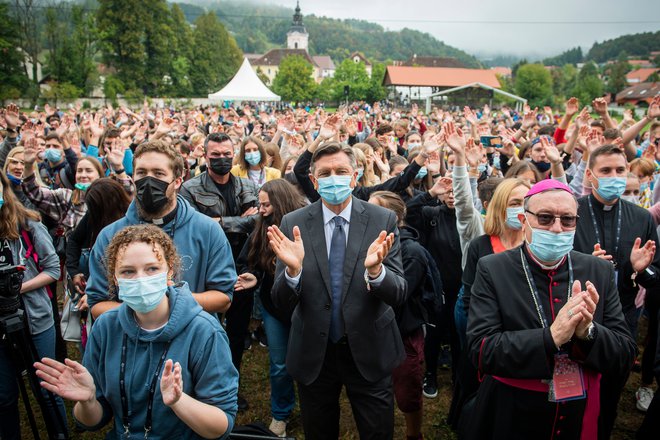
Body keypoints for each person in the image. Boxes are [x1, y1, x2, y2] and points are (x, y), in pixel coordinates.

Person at [466, 179, 637, 439]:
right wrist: (551, 337)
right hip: (513, 409)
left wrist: (587, 333)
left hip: (577, 409)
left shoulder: (598, 269)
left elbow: (624, 353)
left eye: (567, 220)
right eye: (545, 218)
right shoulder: (492, 268)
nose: (557, 228)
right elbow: (481, 350)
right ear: (524, 221)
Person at [35, 224, 238, 439]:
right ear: (115, 277)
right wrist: (88, 401)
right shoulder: (106, 327)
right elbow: (93, 420)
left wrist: (179, 402)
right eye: (128, 271)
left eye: (152, 269)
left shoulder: (205, 332)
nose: (140, 279)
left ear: (169, 270)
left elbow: (221, 426)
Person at [269, 142, 407, 439]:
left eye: (341, 171)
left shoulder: (382, 219)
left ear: (355, 176)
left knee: (377, 431)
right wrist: (293, 272)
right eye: (326, 173)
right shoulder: (293, 223)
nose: (334, 178)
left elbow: (399, 292)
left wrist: (376, 272)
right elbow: (280, 301)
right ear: (315, 181)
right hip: (314, 351)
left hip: (369, 346)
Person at [86, 140, 236, 319]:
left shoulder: (207, 230)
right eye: (141, 172)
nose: (149, 181)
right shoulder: (110, 236)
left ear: (178, 181)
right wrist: (141, 309)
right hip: (132, 341)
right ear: (133, 177)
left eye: (159, 173)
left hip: (190, 339)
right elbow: (96, 304)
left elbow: (224, 298)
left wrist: (171, 301)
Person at [573, 144, 660, 438]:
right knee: (575, 390)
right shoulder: (572, 213)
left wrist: (638, 268)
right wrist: (587, 267)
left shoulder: (642, 218)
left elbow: (654, 277)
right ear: (590, 174)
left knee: (610, 393)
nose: (614, 176)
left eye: (620, 170)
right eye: (606, 171)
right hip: (579, 315)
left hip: (622, 317)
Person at [179, 132, 259, 410]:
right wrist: (237, 221)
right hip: (206, 267)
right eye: (216, 156)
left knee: (237, 331)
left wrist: (217, 221)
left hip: (241, 265)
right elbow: (191, 225)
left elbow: (257, 221)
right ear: (205, 156)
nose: (222, 160)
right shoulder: (190, 188)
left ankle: (230, 386)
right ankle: (201, 384)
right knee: (203, 328)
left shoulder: (246, 185)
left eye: (227, 155)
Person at [235, 179, 307, 437]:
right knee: (279, 363)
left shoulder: (306, 224)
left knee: (310, 360)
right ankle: (281, 413)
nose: (261, 209)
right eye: (259, 204)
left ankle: (314, 408)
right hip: (273, 306)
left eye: (266, 204)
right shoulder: (262, 226)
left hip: (306, 305)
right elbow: (248, 260)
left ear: (282, 202)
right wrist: (253, 275)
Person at [0, 171, 67, 440]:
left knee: (47, 390)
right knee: (4, 395)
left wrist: (17, 288)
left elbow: (53, 269)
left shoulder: (27, 225)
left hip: (35, 319)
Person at [369, 191, 428, 440]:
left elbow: (399, 296)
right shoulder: (369, 244)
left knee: (407, 392)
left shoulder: (412, 251)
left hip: (403, 332)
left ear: (391, 217)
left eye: (373, 211)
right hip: (373, 330)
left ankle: (414, 434)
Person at [65, 178, 133, 337]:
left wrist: (93, 296)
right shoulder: (92, 218)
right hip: (98, 293)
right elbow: (74, 240)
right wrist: (74, 271)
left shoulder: (130, 225)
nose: (89, 211)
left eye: (92, 207)